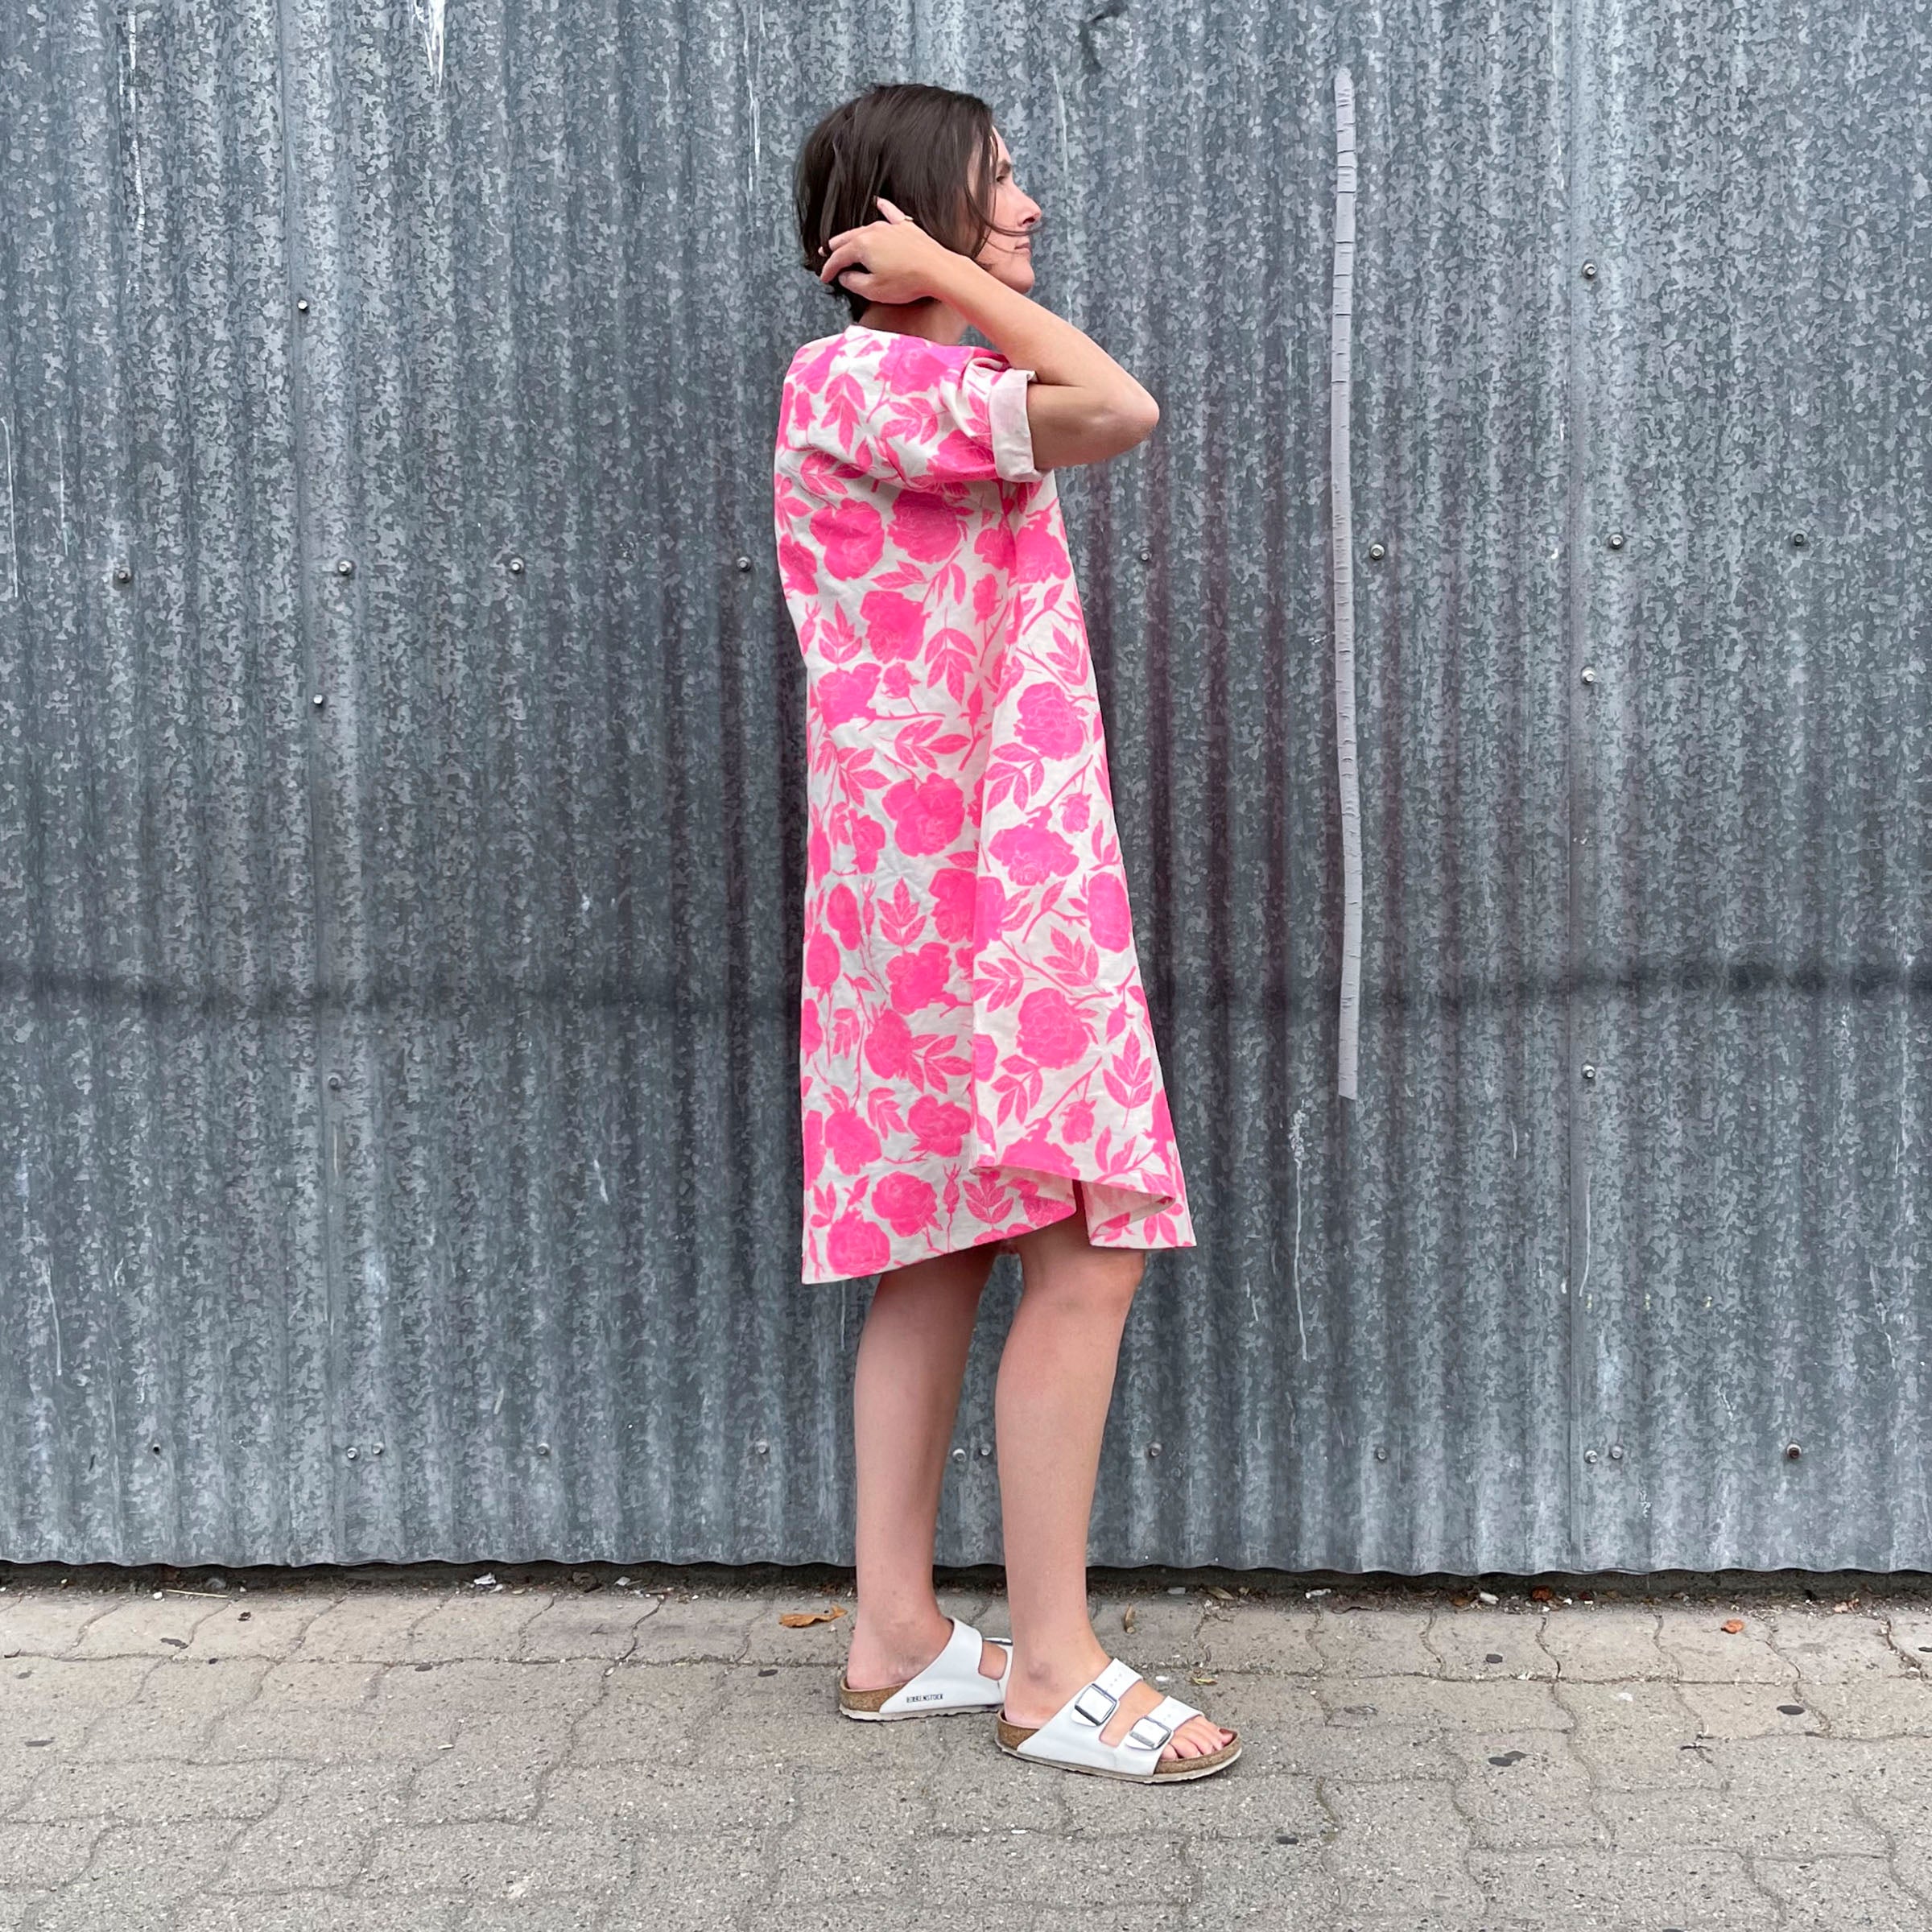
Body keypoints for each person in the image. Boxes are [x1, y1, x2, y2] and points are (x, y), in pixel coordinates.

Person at [774, 81, 1239, 1783]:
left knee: (943, 1245)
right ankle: (1051, 1666)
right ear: (899, 225)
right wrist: (945, 283)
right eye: (995, 190)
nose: (1030, 211)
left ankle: (896, 1635)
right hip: (982, 884)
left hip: (932, 877)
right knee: (1086, 1253)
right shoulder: (875, 376)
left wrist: (947, 283)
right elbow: (1118, 404)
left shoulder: (910, 384)